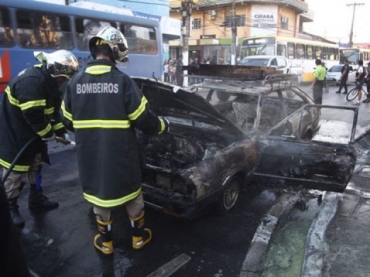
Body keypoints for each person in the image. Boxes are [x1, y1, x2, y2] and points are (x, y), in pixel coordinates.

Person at [60, 26, 169, 255]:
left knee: (100, 196)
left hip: (91, 155)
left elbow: (67, 121)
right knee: (133, 196)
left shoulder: (74, 82)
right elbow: (144, 119)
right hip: (122, 155)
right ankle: (138, 238)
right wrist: (162, 126)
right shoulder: (123, 82)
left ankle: (106, 243)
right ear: (116, 51)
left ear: (94, 51)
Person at [0, 50, 79, 227]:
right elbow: (33, 115)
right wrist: (48, 134)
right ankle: (9, 208)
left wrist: (61, 132)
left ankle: (36, 198)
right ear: (55, 71)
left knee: (36, 165)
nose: (64, 81)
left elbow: (52, 112)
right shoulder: (31, 82)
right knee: (14, 173)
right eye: (63, 78)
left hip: (32, 133)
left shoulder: (50, 83)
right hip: (16, 134)